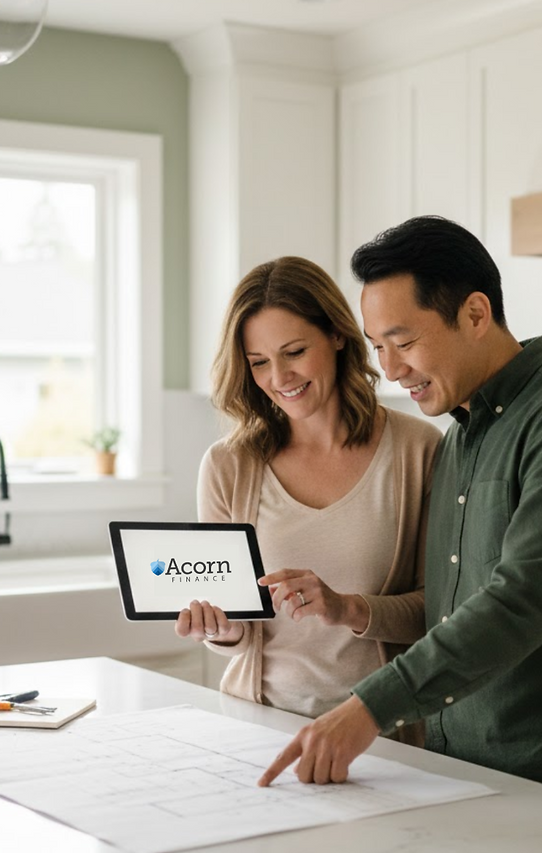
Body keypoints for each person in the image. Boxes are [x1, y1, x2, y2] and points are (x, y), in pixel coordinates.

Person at [259, 217, 542, 808]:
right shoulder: (460, 436)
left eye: (404, 342)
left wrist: (369, 706)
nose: (389, 368)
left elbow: (522, 601)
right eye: (377, 346)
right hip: (458, 772)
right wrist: (348, 609)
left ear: (475, 314)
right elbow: (444, 609)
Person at [175, 256, 441, 737]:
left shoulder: (417, 451)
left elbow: (439, 612)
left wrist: (346, 609)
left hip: (385, 737)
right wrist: (221, 628)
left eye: (294, 352)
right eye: (258, 363)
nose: (279, 378)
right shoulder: (227, 466)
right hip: (257, 727)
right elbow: (237, 630)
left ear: (337, 334)